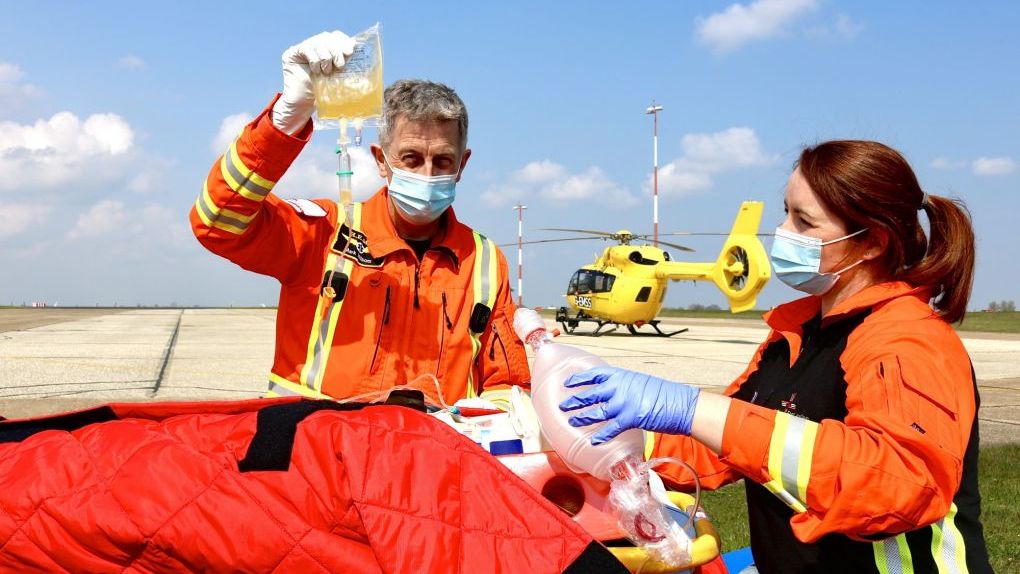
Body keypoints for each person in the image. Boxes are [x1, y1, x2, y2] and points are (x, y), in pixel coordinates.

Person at [560, 140, 992, 573]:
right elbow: (721, 446)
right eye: (786, 212)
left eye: (804, 221)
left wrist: (695, 409)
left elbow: (895, 484)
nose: (782, 232)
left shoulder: (908, 341)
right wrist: (609, 434)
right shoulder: (794, 335)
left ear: (871, 244)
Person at [191, 31, 529, 407]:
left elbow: (507, 386)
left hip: (433, 445)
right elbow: (217, 221)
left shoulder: (486, 263)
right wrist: (286, 119)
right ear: (381, 160)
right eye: (411, 158)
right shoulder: (324, 232)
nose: (427, 173)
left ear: (462, 165)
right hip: (319, 442)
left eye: (443, 161)